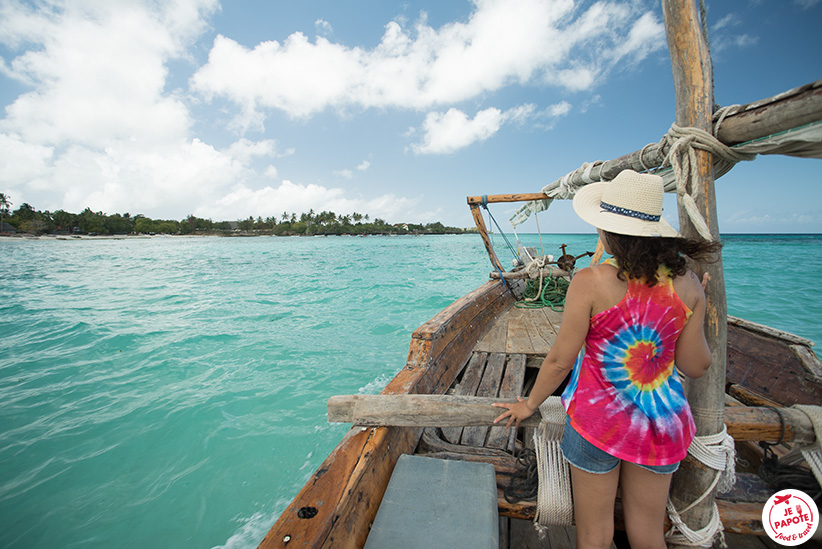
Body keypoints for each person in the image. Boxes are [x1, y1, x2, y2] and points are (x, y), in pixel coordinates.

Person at [493, 169, 721, 549]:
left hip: (600, 424)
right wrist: (698, 305)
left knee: (594, 536)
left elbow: (560, 361)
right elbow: (696, 366)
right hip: (661, 425)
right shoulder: (688, 284)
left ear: (610, 232)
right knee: (648, 535)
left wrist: (529, 403)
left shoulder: (591, 280)